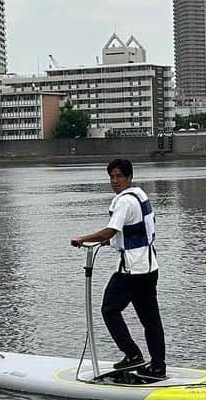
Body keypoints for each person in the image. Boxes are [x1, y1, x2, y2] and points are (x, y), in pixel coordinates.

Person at [70, 158, 166, 380]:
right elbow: (132, 231)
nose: (115, 181)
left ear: (129, 177)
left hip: (131, 271)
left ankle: (132, 355)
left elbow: (110, 231)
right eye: (111, 177)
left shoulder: (123, 202)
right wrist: (108, 242)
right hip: (150, 268)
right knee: (151, 320)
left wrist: (82, 238)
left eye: (119, 176)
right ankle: (158, 367)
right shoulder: (140, 195)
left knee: (109, 310)